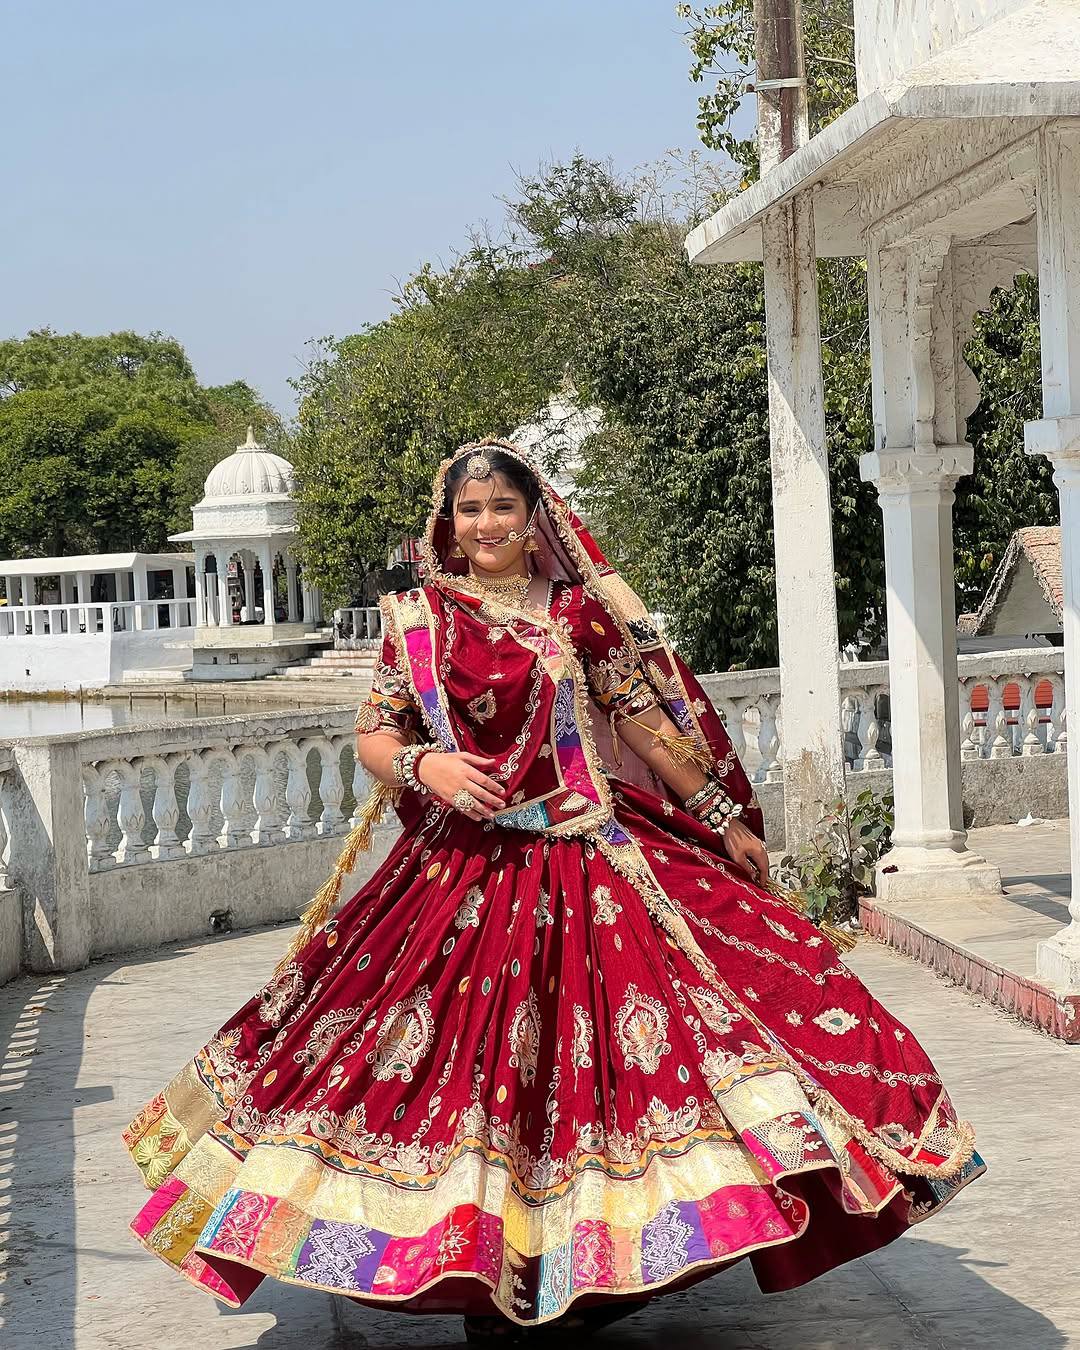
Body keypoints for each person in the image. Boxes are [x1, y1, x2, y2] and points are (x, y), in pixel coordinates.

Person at [124, 440, 983, 1341]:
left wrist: (718, 811)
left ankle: (588, 1274)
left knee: (683, 1033)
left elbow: (642, 722)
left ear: (535, 519)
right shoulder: (418, 618)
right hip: (460, 872)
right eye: (470, 510)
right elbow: (376, 730)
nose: (486, 525)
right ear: (448, 522)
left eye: (503, 507)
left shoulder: (577, 613)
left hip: (590, 853)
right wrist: (427, 766)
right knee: (446, 1073)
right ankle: (480, 1271)